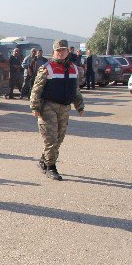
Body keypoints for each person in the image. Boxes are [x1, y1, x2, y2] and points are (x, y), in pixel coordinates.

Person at [30, 39, 85, 181]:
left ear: (68, 51)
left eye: (63, 50)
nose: (60, 53)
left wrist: (79, 105)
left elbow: (75, 89)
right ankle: (51, 167)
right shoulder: (47, 67)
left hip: (65, 107)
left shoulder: (73, 68)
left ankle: (44, 160)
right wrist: (35, 106)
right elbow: (37, 89)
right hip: (49, 106)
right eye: (58, 50)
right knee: (51, 139)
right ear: (53, 51)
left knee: (59, 138)